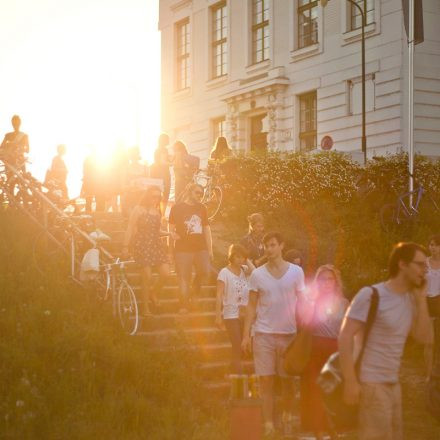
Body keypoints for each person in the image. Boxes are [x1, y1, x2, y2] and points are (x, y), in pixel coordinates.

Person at [339, 242, 433, 440]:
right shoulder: (372, 295)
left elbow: (425, 338)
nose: (424, 271)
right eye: (420, 265)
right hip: (371, 383)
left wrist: (421, 299)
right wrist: (350, 381)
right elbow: (345, 336)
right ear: (402, 264)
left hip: (393, 383)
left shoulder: (411, 299)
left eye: (426, 266)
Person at [242, 232, 306, 436]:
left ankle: (287, 419)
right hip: (263, 334)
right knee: (266, 381)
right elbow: (251, 306)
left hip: (288, 335)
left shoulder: (296, 272)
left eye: (272, 245)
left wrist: (305, 333)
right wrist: (246, 336)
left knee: (287, 381)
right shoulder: (257, 275)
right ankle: (268, 424)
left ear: (281, 246)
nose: (268, 249)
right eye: (265, 246)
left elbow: (303, 304)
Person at [300, 265, 348, 440]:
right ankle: (319, 430)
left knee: (331, 391)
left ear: (336, 281)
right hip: (316, 348)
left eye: (330, 279)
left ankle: (332, 427)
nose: (327, 282)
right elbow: (305, 324)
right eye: (323, 279)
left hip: (334, 350)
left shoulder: (343, 302)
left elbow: (346, 329)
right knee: (315, 390)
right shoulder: (312, 301)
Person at [122, 186, 177, 316]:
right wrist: (125, 246)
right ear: (147, 196)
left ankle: (153, 292)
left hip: (156, 245)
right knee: (147, 276)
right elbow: (130, 228)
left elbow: (157, 231)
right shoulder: (138, 209)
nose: (156, 199)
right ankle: (145, 308)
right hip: (142, 244)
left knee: (166, 274)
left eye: (158, 196)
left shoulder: (157, 211)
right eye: (153, 196)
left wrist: (169, 234)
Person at [168, 183, 212, 313]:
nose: (200, 195)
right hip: (182, 249)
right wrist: (169, 251)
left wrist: (210, 250)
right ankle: (184, 305)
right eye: (197, 192)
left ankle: (195, 290)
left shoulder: (202, 208)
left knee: (205, 271)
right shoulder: (176, 208)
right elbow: (170, 230)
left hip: (200, 247)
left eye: (201, 193)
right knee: (183, 277)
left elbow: (206, 229)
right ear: (189, 191)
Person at [215, 244, 255, 374]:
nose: (240, 260)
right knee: (237, 345)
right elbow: (219, 295)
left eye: (242, 257)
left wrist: (247, 259)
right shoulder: (224, 273)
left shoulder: (245, 270)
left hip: (245, 314)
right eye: (237, 257)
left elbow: (256, 273)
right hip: (230, 315)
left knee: (245, 347)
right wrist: (217, 316)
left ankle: (231, 372)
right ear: (231, 257)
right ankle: (238, 377)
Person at [425, 235, 440, 379]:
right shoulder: (424, 263)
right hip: (427, 302)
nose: (433, 248)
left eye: (436, 245)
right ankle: (428, 375)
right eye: (431, 244)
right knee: (429, 342)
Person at [121, 146, 149, 217]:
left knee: (141, 221)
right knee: (131, 220)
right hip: (130, 198)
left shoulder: (145, 168)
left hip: (142, 198)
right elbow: (122, 187)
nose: (134, 157)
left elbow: (148, 185)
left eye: (136, 154)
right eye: (133, 155)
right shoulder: (126, 168)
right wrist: (131, 186)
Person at [150, 133, 172, 214]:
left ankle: (156, 212)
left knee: (157, 193)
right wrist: (173, 163)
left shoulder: (157, 149)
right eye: (167, 139)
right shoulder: (163, 149)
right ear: (164, 140)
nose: (169, 141)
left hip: (156, 173)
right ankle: (162, 214)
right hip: (163, 174)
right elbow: (162, 162)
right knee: (165, 194)